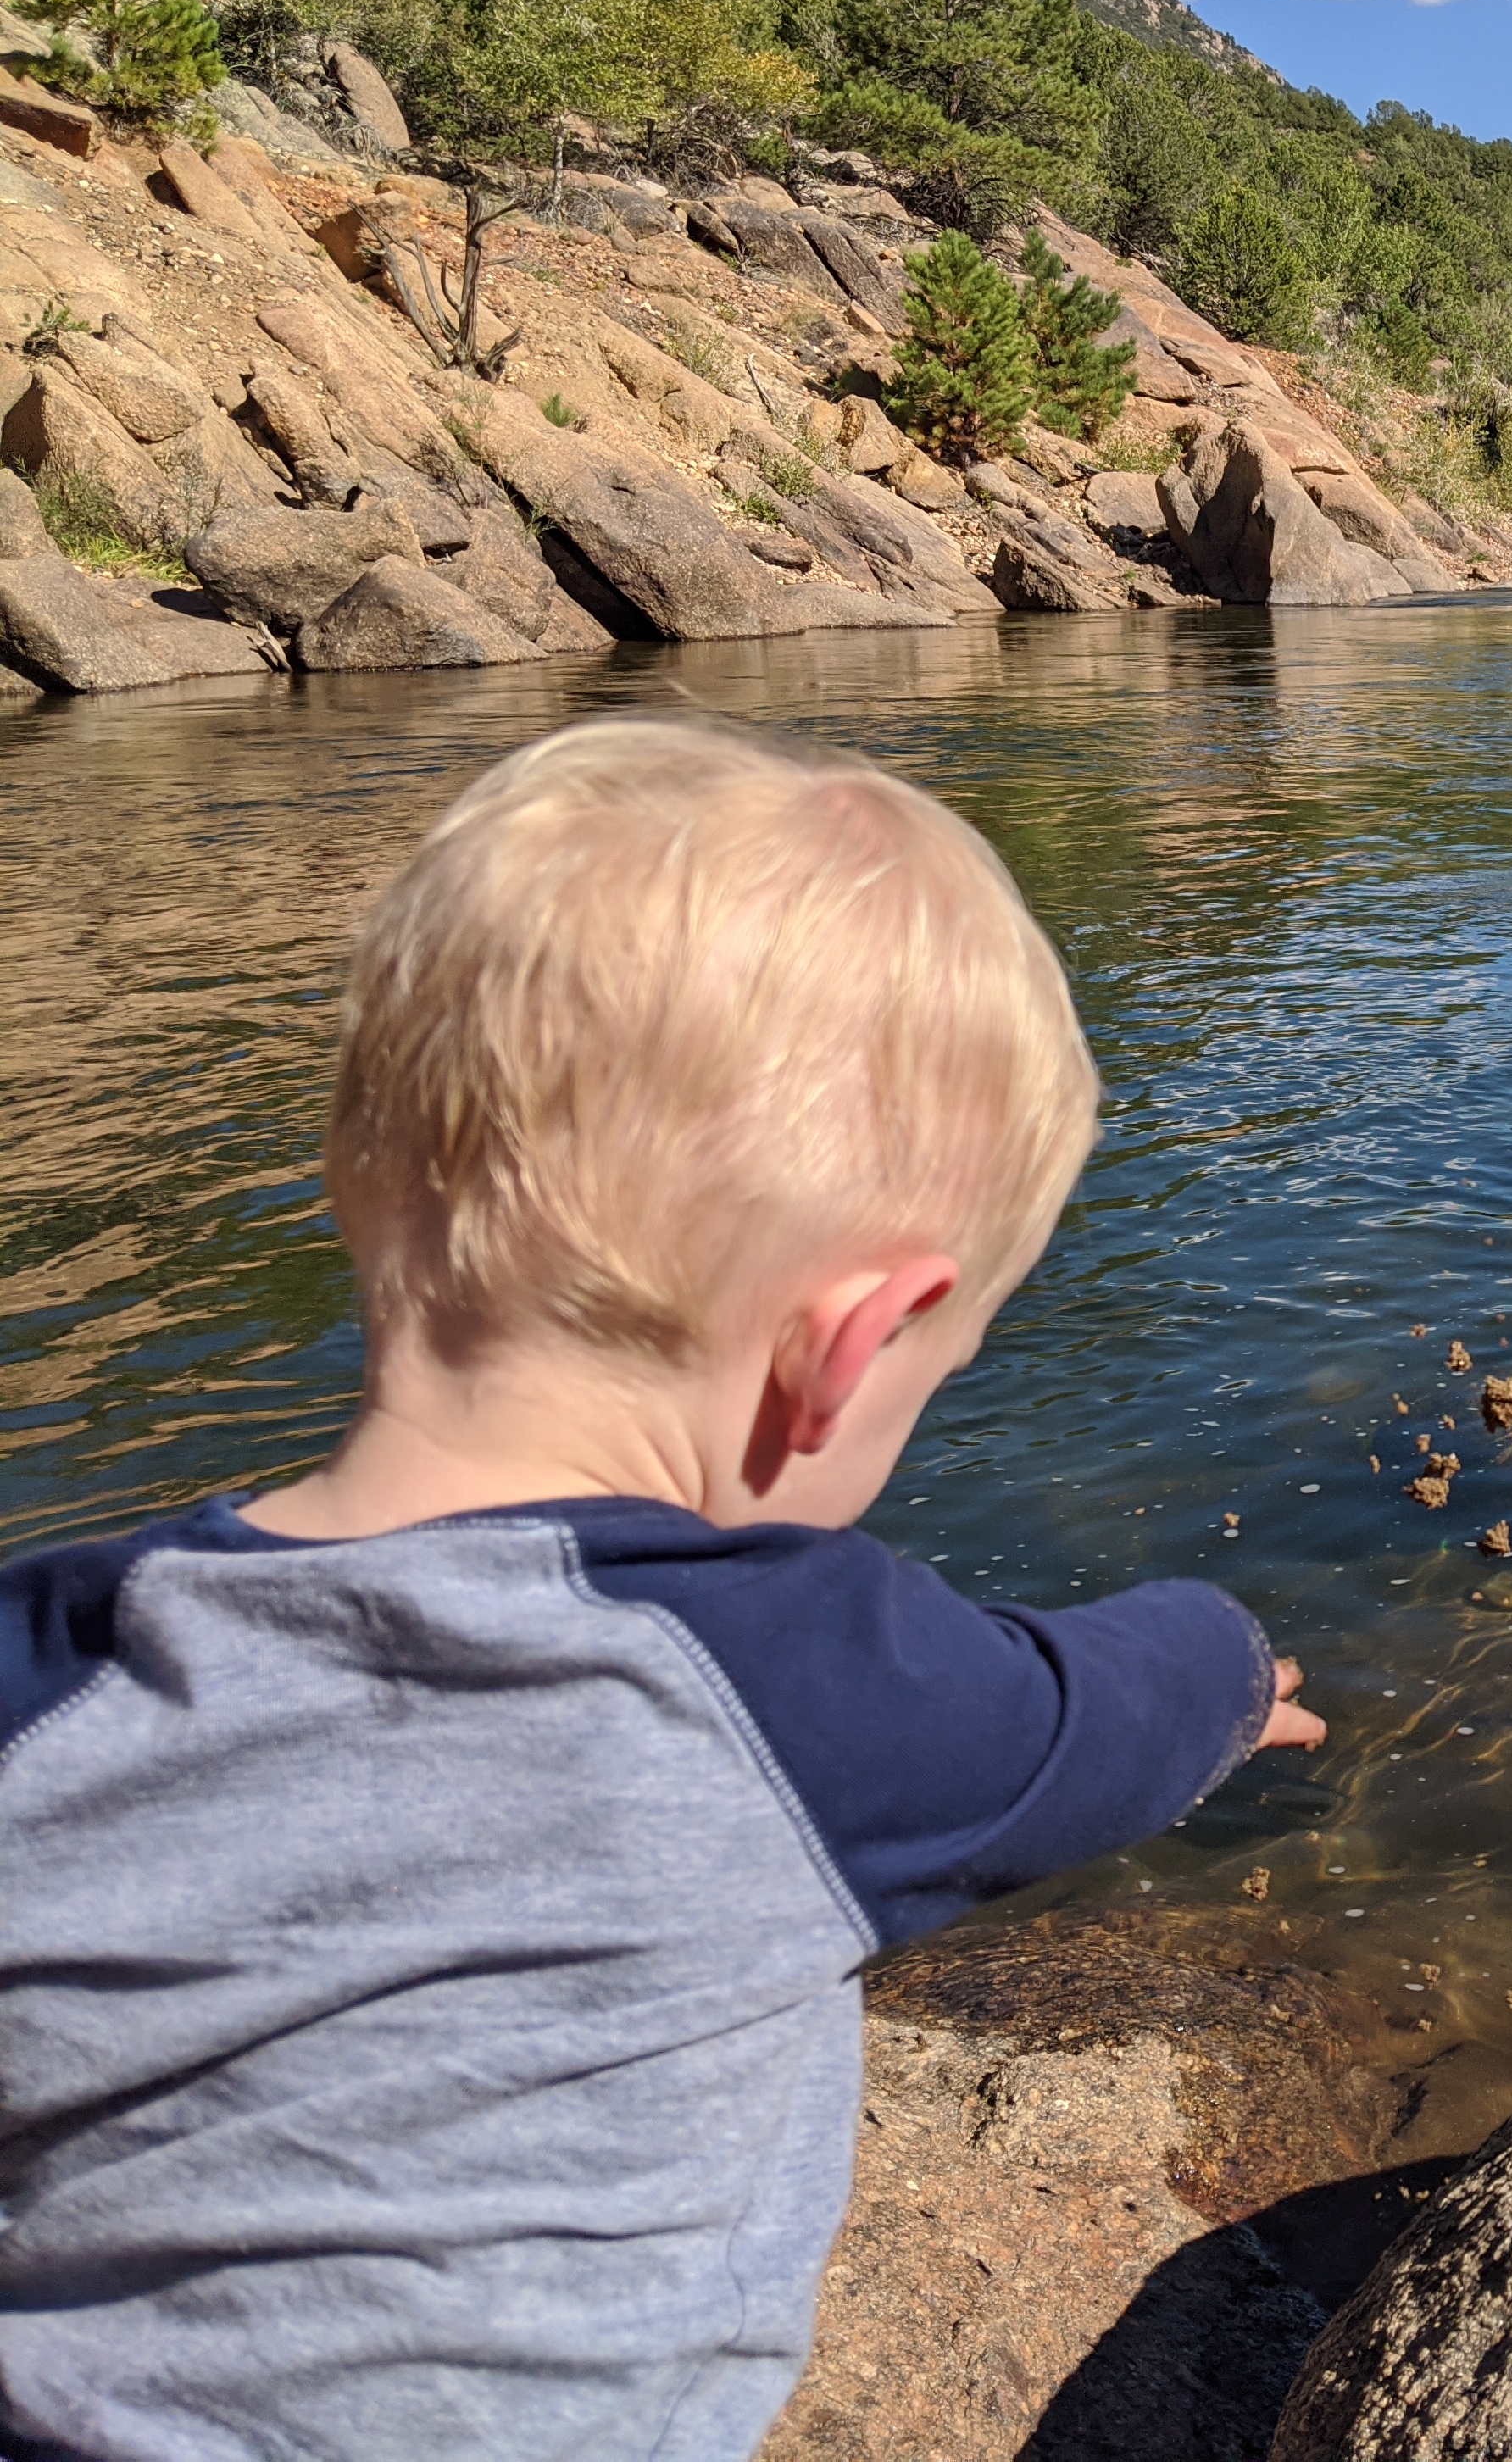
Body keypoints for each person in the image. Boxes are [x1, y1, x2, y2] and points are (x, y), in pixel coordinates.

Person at [0, 718, 1323, 2460]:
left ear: (353, 1181)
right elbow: (1096, 1725)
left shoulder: (56, 1666)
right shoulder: (787, 1680)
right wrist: (1229, 1665)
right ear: (850, 1350)